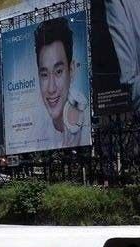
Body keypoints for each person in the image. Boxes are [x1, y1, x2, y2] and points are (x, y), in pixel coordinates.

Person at [33, 17, 89, 149]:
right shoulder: (35, 134)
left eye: (58, 72)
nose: (51, 88)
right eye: (44, 75)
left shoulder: (88, 128)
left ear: (72, 70)